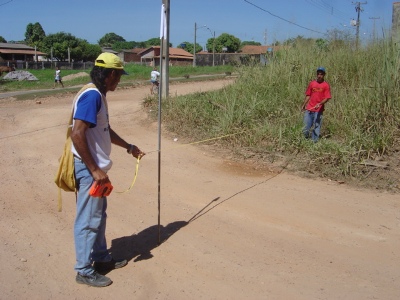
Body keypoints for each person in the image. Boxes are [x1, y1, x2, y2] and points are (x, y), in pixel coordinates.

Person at [70, 52, 145, 287]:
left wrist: (129, 147)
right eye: (119, 76)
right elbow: (77, 132)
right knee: (88, 219)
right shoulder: (92, 96)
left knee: (98, 216)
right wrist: (94, 169)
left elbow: (104, 130)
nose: (119, 81)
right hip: (89, 169)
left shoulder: (98, 95)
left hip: (96, 169)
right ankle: (83, 270)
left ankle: (101, 259)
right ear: (111, 74)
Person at [301, 67, 331, 142]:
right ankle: (304, 141)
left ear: (324, 75)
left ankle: (314, 143)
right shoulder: (312, 83)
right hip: (309, 109)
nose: (319, 76)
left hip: (319, 110)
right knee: (305, 127)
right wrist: (304, 105)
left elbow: (327, 98)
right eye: (318, 74)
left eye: (321, 74)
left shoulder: (326, 85)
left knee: (316, 127)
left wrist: (320, 103)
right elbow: (308, 95)